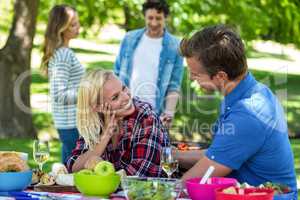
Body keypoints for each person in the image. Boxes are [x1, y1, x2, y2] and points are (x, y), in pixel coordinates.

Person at [177, 25, 297, 198]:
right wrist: (172, 155)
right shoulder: (249, 91)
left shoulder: (248, 113)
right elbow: (219, 154)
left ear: (221, 77)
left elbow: (195, 180)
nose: (190, 78)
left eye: (195, 74)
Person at [66, 69, 170, 177]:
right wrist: (106, 135)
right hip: (107, 192)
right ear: (97, 107)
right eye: (115, 97)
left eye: (124, 88)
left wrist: (98, 175)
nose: (126, 97)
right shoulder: (97, 122)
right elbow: (73, 168)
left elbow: (139, 174)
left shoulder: (146, 118)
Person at [114, 0, 184, 128]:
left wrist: (168, 113)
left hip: (155, 114)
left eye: (159, 18)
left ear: (165, 18)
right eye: (150, 18)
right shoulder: (129, 39)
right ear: (144, 17)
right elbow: (117, 74)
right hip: (125, 109)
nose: (154, 23)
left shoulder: (175, 46)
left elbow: (174, 85)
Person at [41, 5, 85, 164]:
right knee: (74, 171)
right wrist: (89, 92)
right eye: (73, 24)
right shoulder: (63, 54)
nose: (78, 27)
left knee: (67, 171)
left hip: (70, 123)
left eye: (77, 23)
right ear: (61, 28)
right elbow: (59, 94)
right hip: (71, 124)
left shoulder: (63, 52)